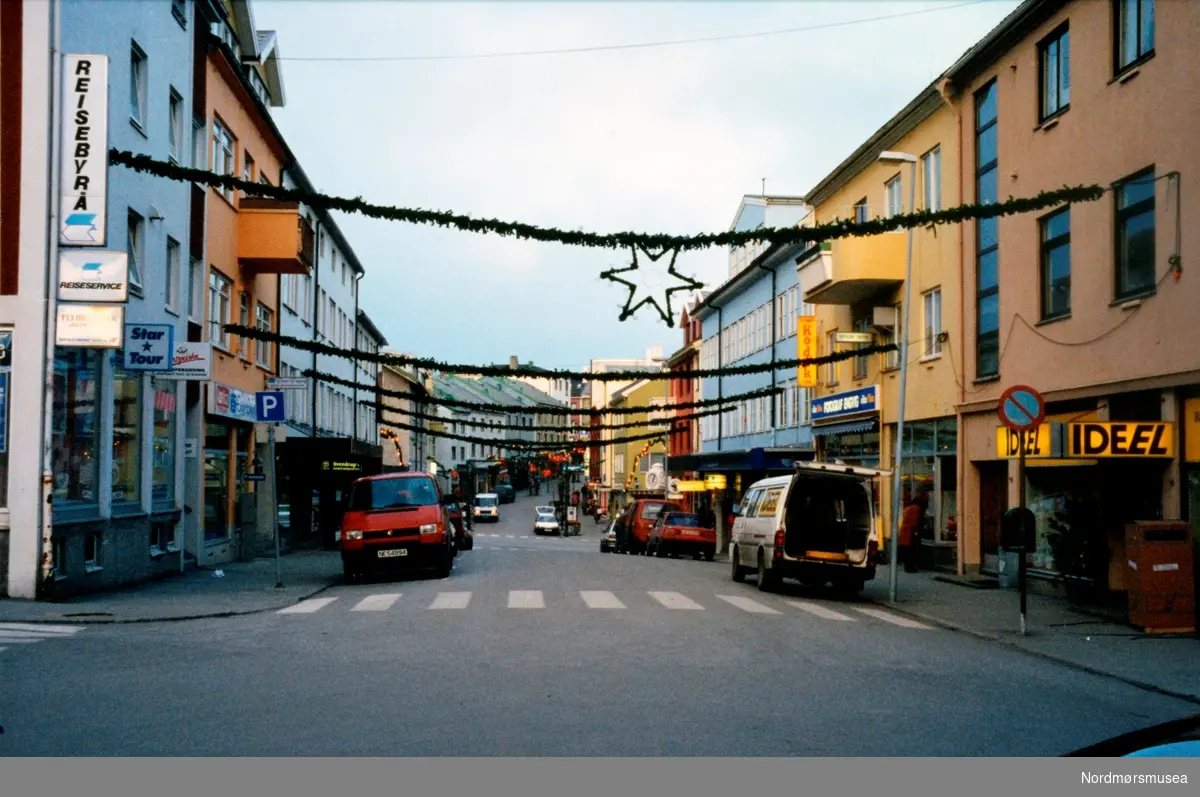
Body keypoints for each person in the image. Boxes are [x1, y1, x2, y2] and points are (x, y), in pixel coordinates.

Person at [899, 495, 923, 573]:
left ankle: (907, 567)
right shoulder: (916, 508)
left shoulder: (908, 508)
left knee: (907, 552)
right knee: (911, 552)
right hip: (910, 533)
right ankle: (910, 568)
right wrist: (916, 531)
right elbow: (914, 522)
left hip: (904, 533)